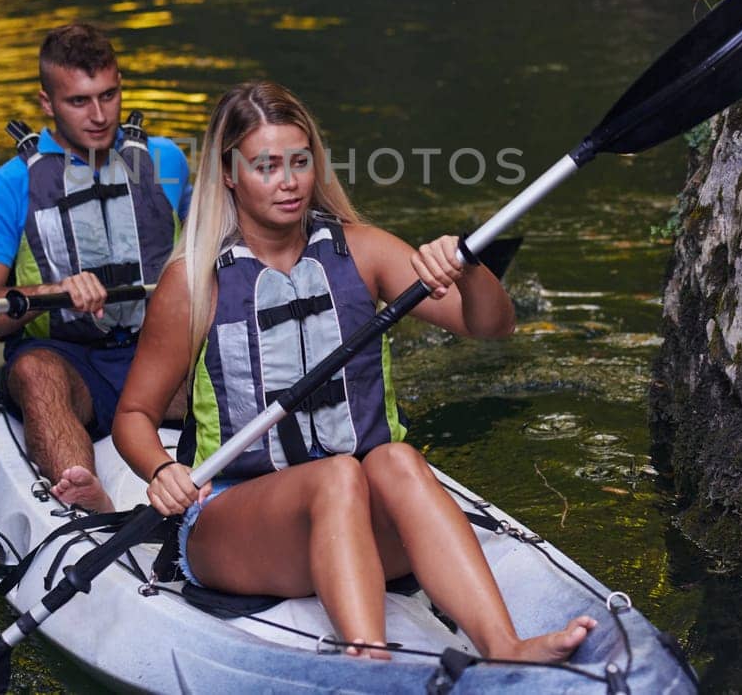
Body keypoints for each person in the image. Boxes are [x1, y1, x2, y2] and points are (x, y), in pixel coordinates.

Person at [113, 81, 595, 662]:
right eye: (267, 166)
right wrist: (162, 468)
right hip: (237, 523)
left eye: (299, 162)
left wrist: (468, 270)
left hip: (359, 516)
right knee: (337, 475)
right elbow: (135, 415)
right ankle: (369, 661)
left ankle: (504, 645)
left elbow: (493, 326)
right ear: (231, 173)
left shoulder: (363, 251)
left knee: (394, 457)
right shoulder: (193, 283)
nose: (289, 182)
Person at [0, 23, 190, 513]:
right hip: (71, 361)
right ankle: (83, 498)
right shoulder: (7, 185)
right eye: (79, 101)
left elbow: (213, 251)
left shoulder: (166, 160)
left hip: (160, 356)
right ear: (47, 102)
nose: (100, 115)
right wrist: (53, 290)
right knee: (36, 372)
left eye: (109, 94)